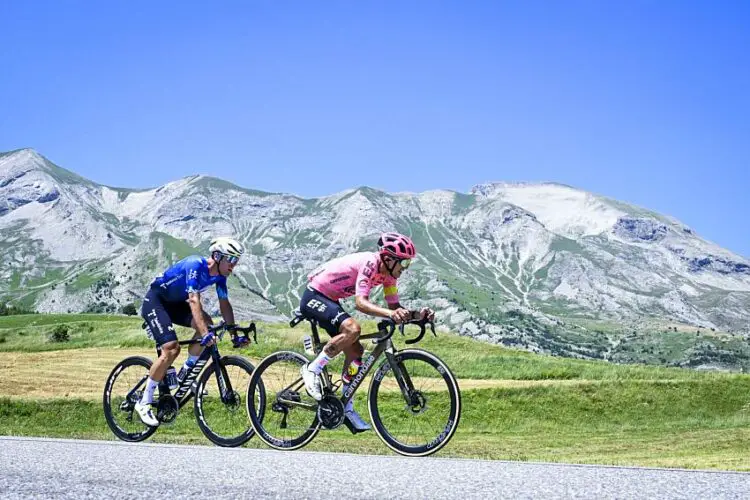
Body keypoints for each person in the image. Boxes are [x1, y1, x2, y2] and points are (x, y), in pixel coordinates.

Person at [298, 232, 434, 432]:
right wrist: (391, 313)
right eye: (403, 264)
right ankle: (312, 369)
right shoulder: (370, 263)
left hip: (331, 300)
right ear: (388, 259)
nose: (405, 269)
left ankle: (346, 407)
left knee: (355, 353)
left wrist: (417, 315)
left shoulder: (389, 277)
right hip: (315, 295)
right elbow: (361, 303)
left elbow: (395, 306)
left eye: (408, 264)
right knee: (353, 329)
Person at [135, 237, 247, 426]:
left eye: (236, 261)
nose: (233, 266)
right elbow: (194, 300)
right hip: (157, 302)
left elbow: (224, 303)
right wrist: (204, 335)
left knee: (209, 324)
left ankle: (184, 374)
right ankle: (144, 401)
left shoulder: (220, 278)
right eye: (232, 260)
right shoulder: (195, 264)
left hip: (176, 305)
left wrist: (234, 334)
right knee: (171, 348)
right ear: (218, 256)